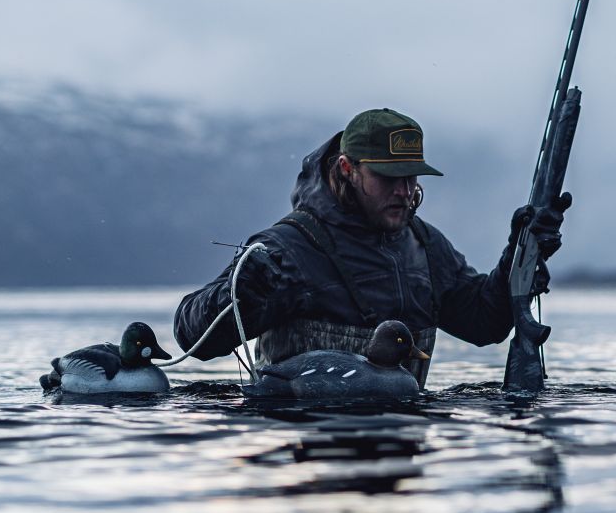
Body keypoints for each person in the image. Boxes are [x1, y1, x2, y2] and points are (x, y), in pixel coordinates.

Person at [173, 108, 570, 386]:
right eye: (388, 177)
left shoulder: (427, 247)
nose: (405, 190)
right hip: (311, 465)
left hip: (403, 475)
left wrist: (519, 254)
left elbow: (485, 324)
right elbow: (192, 338)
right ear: (348, 169)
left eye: (411, 176)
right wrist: (236, 296)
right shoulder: (286, 249)